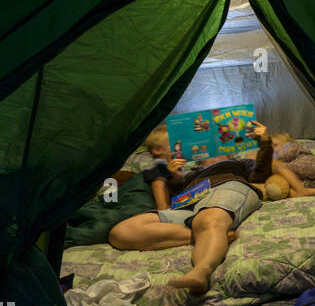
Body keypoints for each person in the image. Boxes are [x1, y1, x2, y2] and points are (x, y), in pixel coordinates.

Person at [109, 121, 276, 294]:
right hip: (188, 203)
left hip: (226, 188)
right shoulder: (189, 172)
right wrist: (172, 177)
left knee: (208, 220)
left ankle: (201, 271)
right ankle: (210, 235)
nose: (214, 153)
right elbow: (167, 199)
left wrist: (265, 144)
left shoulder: (237, 164)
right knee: (121, 232)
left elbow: (262, 175)